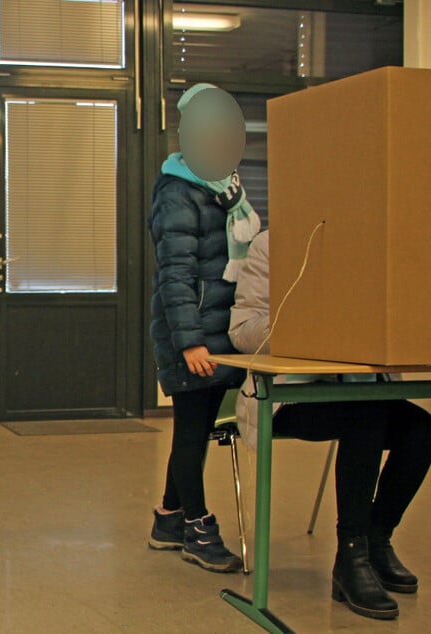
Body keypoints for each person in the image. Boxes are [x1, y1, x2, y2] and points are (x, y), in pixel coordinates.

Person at [229, 230, 431, 620]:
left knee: (422, 431)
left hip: (365, 391)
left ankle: (377, 538)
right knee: (365, 416)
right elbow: (243, 331)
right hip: (290, 397)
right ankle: (351, 555)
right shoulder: (272, 244)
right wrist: (305, 319)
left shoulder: (372, 244)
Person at [147, 83, 259, 573]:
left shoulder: (228, 191)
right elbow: (175, 274)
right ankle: (196, 526)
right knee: (192, 434)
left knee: (194, 431)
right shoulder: (177, 192)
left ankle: (169, 518)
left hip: (224, 331)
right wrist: (190, 341)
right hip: (191, 337)